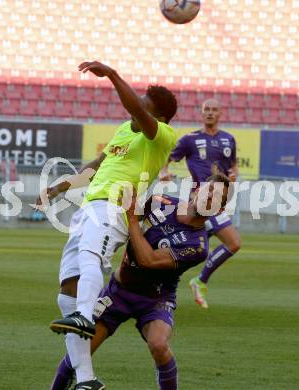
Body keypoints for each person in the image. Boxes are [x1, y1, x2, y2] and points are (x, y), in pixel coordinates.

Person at [37, 61, 178, 390]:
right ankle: (87, 379)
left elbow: (134, 108)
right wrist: (60, 187)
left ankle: (86, 316)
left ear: (158, 117)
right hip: (89, 206)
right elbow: (98, 164)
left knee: (91, 258)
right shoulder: (123, 131)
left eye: (143, 108)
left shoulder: (163, 136)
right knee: (66, 292)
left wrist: (113, 75)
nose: (135, 111)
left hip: (116, 206)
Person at [50, 174, 231, 390]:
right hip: (118, 292)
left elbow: (148, 260)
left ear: (219, 210)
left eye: (218, 197)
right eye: (209, 190)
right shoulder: (160, 202)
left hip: (156, 299)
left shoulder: (198, 246)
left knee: (159, 344)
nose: (210, 196)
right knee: (79, 353)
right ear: (196, 190)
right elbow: (122, 223)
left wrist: (133, 219)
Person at [161, 98, 241, 309]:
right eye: (207, 109)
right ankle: (199, 281)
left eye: (214, 110)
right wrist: (163, 172)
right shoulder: (190, 139)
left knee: (186, 244)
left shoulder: (228, 139)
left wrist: (233, 174)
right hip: (201, 200)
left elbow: (233, 165)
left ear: (220, 113)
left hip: (218, 200)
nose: (210, 113)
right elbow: (167, 158)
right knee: (233, 243)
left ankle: (163, 280)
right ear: (201, 112)